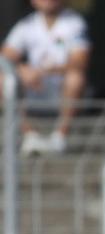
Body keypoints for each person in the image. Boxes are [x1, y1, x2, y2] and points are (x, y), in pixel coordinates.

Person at [1, 0, 90, 156]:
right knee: (3, 79)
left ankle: (60, 137)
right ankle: (30, 136)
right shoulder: (26, 24)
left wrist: (41, 72)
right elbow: (5, 58)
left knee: (75, 78)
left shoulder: (74, 23)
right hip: (34, 89)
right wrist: (21, 70)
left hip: (62, 90)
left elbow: (80, 61)